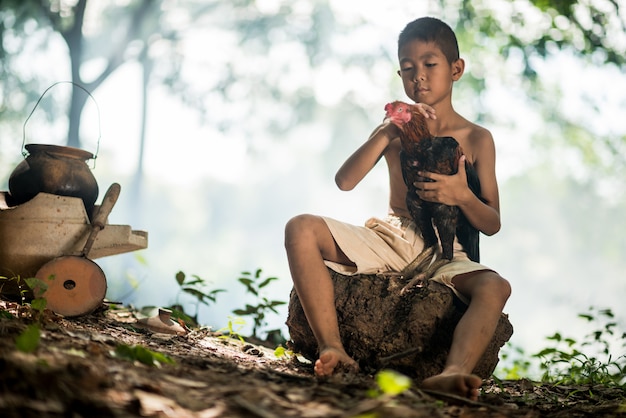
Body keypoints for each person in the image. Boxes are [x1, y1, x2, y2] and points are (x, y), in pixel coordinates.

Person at [284, 16, 511, 401]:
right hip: (394, 237)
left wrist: (463, 197)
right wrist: (389, 130)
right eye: (407, 69)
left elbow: (492, 223)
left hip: (448, 250)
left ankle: (452, 372)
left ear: (456, 69)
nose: (418, 77)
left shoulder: (477, 138)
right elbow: (345, 181)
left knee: (494, 286)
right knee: (299, 228)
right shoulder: (395, 128)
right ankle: (332, 347)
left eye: (429, 64)